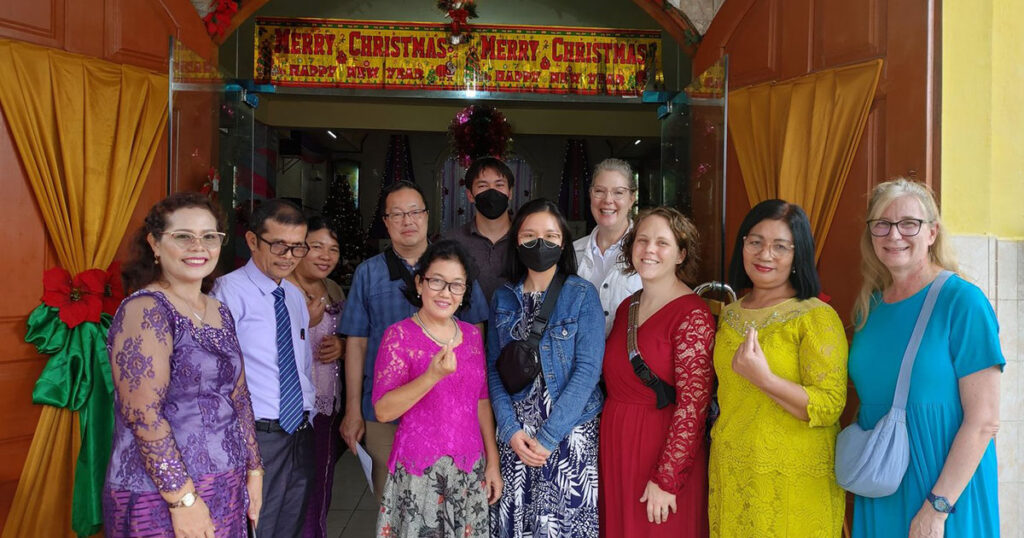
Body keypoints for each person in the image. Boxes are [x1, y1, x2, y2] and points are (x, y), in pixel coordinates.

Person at [849, 179, 1003, 537]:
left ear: (932, 232)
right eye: (882, 225)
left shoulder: (963, 302)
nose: (894, 235)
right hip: (883, 483)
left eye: (909, 224)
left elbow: (984, 420)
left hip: (945, 492)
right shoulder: (868, 308)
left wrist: (938, 507)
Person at [103, 192, 262, 537]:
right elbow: (143, 415)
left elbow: (239, 396)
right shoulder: (145, 310)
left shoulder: (217, 309)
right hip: (160, 491)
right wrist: (182, 500)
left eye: (209, 236)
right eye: (183, 236)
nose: (198, 246)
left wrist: (254, 470)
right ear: (155, 244)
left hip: (226, 482)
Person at [338, 180, 490, 501]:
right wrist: (352, 408)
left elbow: (476, 345)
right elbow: (357, 343)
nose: (407, 221)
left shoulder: (455, 267)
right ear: (386, 222)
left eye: (414, 212)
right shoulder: (368, 273)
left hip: (450, 415)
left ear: (427, 215)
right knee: (395, 505)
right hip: (385, 411)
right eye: (397, 214)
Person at [707, 199, 848, 537]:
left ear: (798, 255)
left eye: (780, 246)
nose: (765, 255)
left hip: (793, 477)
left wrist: (765, 379)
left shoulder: (815, 316)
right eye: (755, 242)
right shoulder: (729, 315)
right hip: (733, 469)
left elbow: (829, 405)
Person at [488, 198, 605, 537]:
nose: (541, 244)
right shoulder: (502, 297)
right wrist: (509, 430)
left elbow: (587, 371)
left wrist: (550, 436)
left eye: (551, 237)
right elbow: (493, 370)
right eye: (530, 236)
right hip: (517, 438)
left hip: (568, 436)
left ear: (564, 243)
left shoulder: (582, 295)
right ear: (516, 241)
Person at [372, 240, 502, 537]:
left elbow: (481, 402)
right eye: (437, 281)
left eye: (456, 285)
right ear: (419, 283)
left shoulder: (471, 336)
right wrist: (431, 375)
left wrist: (492, 463)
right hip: (420, 472)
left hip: (469, 470)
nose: (446, 293)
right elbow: (382, 410)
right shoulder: (399, 336)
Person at [599, 207, 715, 537]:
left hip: (660, 448)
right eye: (642, 240)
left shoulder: (693, 315)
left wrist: (667, 478)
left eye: (662, 243)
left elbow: (693, 407)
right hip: (618, 442)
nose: (650, 249)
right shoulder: (627, 306)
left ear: (681, 254)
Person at [212, 199, 314, 538]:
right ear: (253, 241)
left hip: (298, 432)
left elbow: (302, 366)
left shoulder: (294, 297)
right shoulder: (228, 293)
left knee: (289, 524)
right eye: (279, 245)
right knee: (256, 525)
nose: (288, 256)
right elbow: (217, 375)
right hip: (256, 434)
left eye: (297, 247)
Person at [287, 215, 346, 538]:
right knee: (289, 485)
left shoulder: (334, 289)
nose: (326, 256)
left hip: (326, 403)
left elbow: (348, 335)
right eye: (316, 247)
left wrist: (343, 345)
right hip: (288, 407)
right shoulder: (282, 287)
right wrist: (303, 323)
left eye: (333, 249)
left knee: (320, 482)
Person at [574, 158, 643, 336]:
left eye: (618, 193)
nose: (607, 200)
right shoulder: (572, 252)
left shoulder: (647, 253)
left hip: (628, 360)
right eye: (599, 191)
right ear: (590, 194)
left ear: (632, 198)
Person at [443, 156, 514, 301]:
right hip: (466, 323)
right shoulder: (451, 242)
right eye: (482, 186)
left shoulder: (526, 239)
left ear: (510, 193)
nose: (492, 192)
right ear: (470, 195)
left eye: (499, 185)